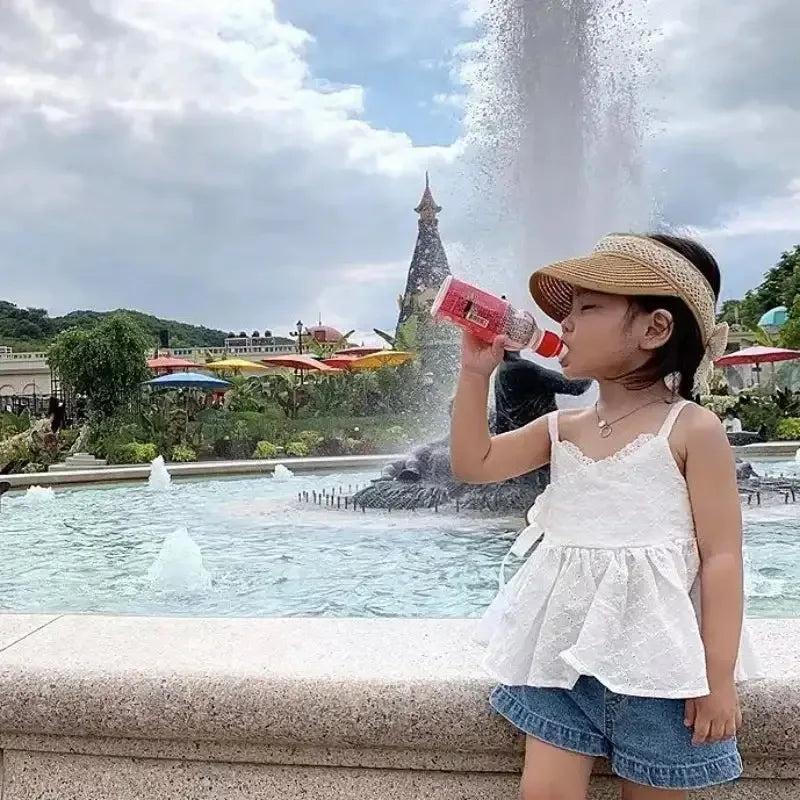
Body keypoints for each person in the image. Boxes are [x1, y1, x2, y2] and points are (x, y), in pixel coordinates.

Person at [450, 233, 761, 799]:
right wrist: (475, 374)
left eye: (587, 308)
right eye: (567, 312)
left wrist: (717, 677)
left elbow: (721, 559)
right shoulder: (563, 427)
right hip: (562, 661)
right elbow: (475, 462)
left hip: (664, 671)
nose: (565, 324)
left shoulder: (692, 428)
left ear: (654, 329)